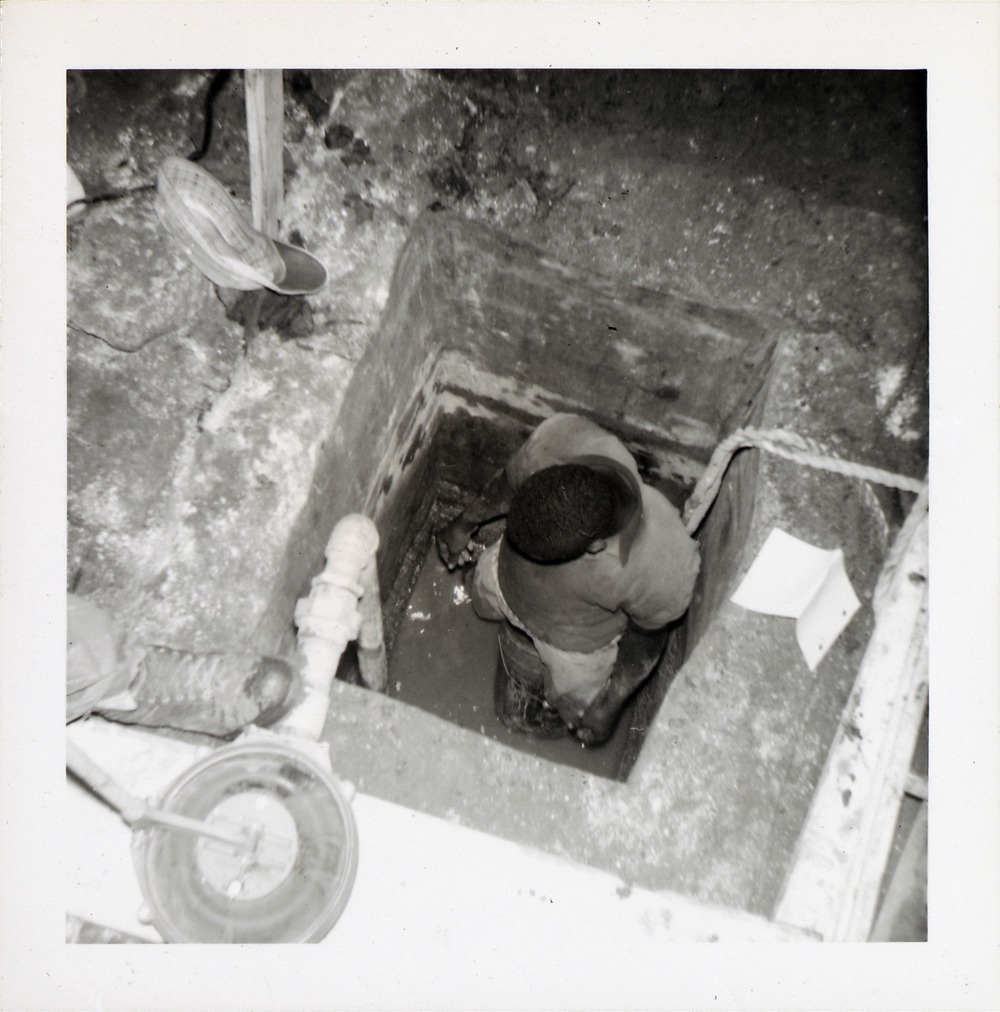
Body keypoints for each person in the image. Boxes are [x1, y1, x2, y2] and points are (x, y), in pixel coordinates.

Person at [438, 413, 700, 745]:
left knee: (567, 709)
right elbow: (508, 484)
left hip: (575, 644)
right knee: (480, 594)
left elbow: (647, 639)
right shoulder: (560, 441)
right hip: (501, 577)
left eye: (541, 556)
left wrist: (610, 705)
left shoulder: (662, 563)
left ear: (595, 548)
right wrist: (463, 525)